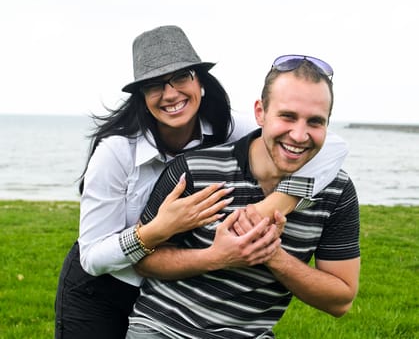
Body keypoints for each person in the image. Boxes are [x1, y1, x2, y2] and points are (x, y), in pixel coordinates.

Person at [54, 24, 348, 339]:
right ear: (142, 96)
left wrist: (275, 203)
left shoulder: (227, 127)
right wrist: (156, 230)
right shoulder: (116, 151)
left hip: (164, 291)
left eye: (182, 77)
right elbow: (92, 258)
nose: (170, 94)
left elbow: (332, 145)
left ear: (201, 82)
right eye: (154, 85)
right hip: (101, 289)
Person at [125, 54, 361, 339]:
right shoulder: (193, 170)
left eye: (315, 122)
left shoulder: (338, 192)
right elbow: (143, 260)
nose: (299, 135)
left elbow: (340, 300)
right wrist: (216, 257)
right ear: (260, 112)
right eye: (287, 116)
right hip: (165, 328)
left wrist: (273, 256)